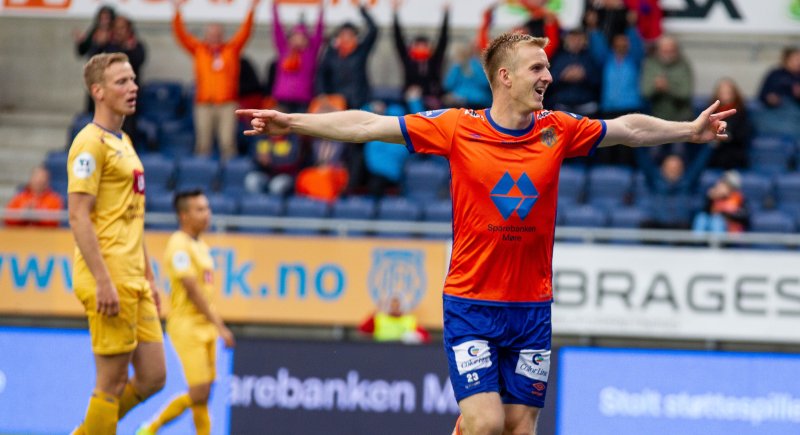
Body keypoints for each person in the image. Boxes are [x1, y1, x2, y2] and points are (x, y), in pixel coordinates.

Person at [237, 32, 733, 435]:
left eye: (548, 66)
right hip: (472, 303)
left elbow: (627, 129)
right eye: (537, 68)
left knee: (519, 427)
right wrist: (294, 123)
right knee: (486, 422)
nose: (549, 76)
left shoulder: (558, 128)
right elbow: (369, 125)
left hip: (532, 307)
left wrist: (689, 131)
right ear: (505, 76)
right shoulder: (456, 126)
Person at [68, 52, 165, 434]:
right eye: (122, 81)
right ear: (98, 92)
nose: (133, 87)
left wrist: (150, 278)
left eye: (133, 79)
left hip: (133, 278)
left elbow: (131, 217)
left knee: (154, 376)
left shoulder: (123, 140)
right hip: (108, 277)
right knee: (109, 385)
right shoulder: (88, 144)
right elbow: (78, 216)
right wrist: (104, 280)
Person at [136, 190, 235, 435]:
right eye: (200, 209)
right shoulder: (178, 245)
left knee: (203, 395)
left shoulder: (200, 244)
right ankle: (150, 428)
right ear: (184, 215)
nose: (207, 214)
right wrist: (220, 326)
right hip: (187, 325)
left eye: (207, 208)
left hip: (205, 325)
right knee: (199, 390)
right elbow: (192, 289)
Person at [172, 0, 259, 161]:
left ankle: (230, 177)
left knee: (228, 143)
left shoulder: (232, 49)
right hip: (204, 104)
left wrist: (251, 11)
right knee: (203, 144)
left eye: (217, 33)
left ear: (222, 34)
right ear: (206, 35)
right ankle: (201, 176)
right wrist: (177, 13)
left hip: (227, 103)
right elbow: (181, 36)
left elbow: (245, 32)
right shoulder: (199, 49)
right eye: (211, 33)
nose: (214, 36)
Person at [315, 1, 378, 110]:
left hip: (359, 101)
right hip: (337, 103)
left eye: (350, 34)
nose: (346, 38)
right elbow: (321, 74)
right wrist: (322, 93)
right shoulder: (332, 53)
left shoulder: (360, 51)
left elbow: (373, 30)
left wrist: (362, 10)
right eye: (343, 34)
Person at [391, 0, 449, 108]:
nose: (421, 48)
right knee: (410, 100)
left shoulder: (434, 61)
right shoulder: (408, 60)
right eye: (418, 45)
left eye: (424, 46)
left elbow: (443, 40)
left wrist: (446, 14)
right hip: (411, 99)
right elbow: (398, 40)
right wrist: (395, 13)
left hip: (432, 99)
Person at [270, 0, 325, 113]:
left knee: (299, 129)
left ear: (307, 40)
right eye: (295, 36)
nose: (298, 39)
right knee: (280, 129)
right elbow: (277, 30)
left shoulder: (310, 53)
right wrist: (274, 9)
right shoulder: (284, 51)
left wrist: (321, 11)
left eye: (302, 37)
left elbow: (319, 33)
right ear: (290, 39)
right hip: (282, 98)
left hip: (303, 99)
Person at [547, 29, 600, 117]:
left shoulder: (591, 57)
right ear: (566, 40)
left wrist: (584, 75)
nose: (575, 42)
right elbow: (549, 80)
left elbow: (598, 80)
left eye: (579, 39)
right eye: (572, 38)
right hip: (563, 106)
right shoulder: (558, 57)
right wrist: (563, 76)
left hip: (586, 106)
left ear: (584, 41)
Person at [707, 78, 752, 169]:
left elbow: (742, 136)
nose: (725, 96)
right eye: (722, 93)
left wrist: (725, 135)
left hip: (733, 152)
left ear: (734, 94)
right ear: (717, 95)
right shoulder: (709, 111)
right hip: (712, 153)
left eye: (728, 93)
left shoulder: (741, 112)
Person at [358, 295, 430, 344]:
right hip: (381, 351)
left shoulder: (409, 320)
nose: (395, 308)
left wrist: (415, 337)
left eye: (398, 305)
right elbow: (363, 330)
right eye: (392, 305)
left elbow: (425, 337)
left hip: (402, 353)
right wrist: (376, 311)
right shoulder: (379, 317)